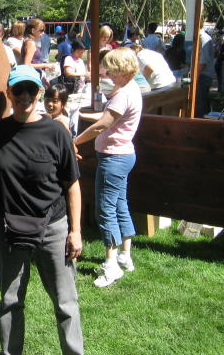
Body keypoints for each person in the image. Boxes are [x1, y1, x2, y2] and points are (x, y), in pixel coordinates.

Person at [0, 65, 83, 355]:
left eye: (31, 89)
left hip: (53, 227)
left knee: (65, 302)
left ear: (40, 93)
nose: (25, 96)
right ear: (9, 93)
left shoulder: (56, 131)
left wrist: (75, 231)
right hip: (8, 227)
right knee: (10, 300)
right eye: (19, 90)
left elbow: (73, 184)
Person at [75, 48, 142, 288]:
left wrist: (74, 141)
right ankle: (125, 255)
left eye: (111, 69)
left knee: (105, 210)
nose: (108, 74)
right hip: (123, 156)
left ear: (122, 69)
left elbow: (102, 125)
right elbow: (108, 120)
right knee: (120, 204)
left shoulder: (123, 94)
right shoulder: (130, 90)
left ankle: (111, 266)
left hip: (114, 159)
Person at [195, 29, 215, 118]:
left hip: (203, 76)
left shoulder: (203, 38)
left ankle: (200, 123)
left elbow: (203, 61)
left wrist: (195, 76)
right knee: (203, 102)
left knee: (200, 104)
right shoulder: (201, 38)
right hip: (202, 75)